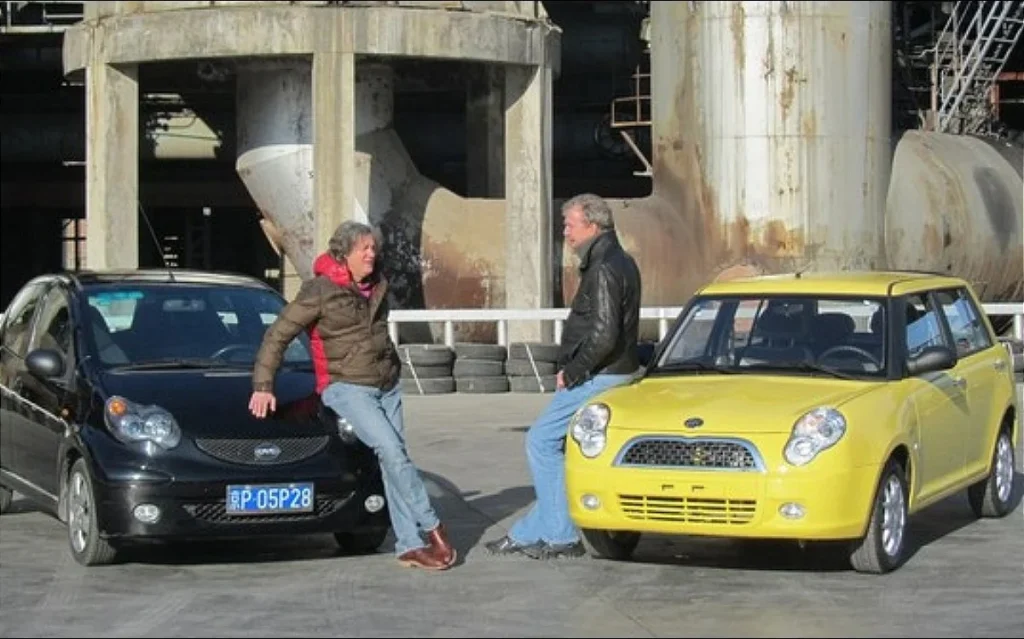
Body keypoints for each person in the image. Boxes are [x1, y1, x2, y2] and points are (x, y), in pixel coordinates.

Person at [248, 221, 456, 572]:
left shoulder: (377, 283)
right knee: (390, 451)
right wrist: (263, 386)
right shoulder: (319, 291)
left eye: (373, 248)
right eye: (365, 249)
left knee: (395, 461)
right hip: (345, 386)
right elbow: (277, 335)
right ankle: (432, 526)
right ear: (344, 255)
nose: (372, 254)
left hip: (386, 383)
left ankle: (408, 545)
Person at [485, 193, 642, 559]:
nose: (565, 232)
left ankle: (561, 536)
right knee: (563, 457)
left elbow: (604, 334)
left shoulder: (603, 268)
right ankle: (527, 532)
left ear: (592, 225)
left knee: (541, 442)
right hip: (613, 372)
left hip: (599, 375)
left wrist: (572, 372)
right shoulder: (619, 261)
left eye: (570, 224)